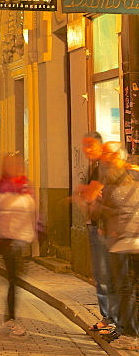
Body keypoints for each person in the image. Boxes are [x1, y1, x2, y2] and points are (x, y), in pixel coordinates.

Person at [0, 153, 36, 337]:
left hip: (21, 238)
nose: (16, 167)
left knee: (13, 280)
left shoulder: (26, 186)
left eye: (19, 164)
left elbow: (33, 212)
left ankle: (7, 317)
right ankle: (8, 319)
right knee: (12, 279)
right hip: (5, 239)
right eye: (12, 165)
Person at [74, 131, 116, 335]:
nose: (87, 149)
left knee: (107, 274)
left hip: (105, 228)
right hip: (95, 225)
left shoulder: (105, 168)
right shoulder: (95, 168)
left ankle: (113, 320)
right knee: (100, 275)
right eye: (85, 145)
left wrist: (83, 192)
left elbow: (90, 196)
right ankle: (107, 317)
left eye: (91, 145)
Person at [99, 142, 139, 349]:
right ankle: (126, 329)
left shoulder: (118, 179)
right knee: (127, 287)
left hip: (125, 241)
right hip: (121, 240)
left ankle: (131, 333)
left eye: (110, 154)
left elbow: (107, 209)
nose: (106, 157)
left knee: (126, 287)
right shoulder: (111, 178)